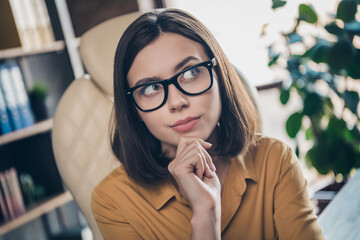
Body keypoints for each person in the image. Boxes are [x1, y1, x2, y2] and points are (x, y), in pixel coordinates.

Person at [91, 8, 324, 240]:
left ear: (219, 76)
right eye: (150, 88)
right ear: (134, 110)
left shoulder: (275, 159)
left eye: (191, 73)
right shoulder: (111, 200)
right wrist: (206, 212)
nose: (177, 102)